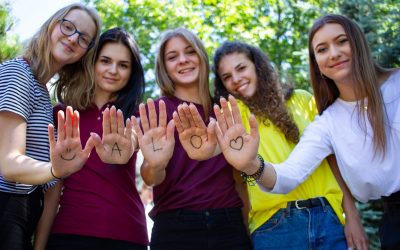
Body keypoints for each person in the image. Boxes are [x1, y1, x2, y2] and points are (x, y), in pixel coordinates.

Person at [213, 14, 400, 249]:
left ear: (257, 66)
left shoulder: (302, 100)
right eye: (227, 77)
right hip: (274, 225)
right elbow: (276, 175)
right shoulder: (231, 115)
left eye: (241, 68)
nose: (237, 79)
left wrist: (351, 216)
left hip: (327, 216)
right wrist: (249, 165)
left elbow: (332, 160)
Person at [132, 27, 251, 250]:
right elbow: (150, 177)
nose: (183, 60)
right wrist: (157, 164)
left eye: (190, 52)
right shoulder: (155, 112)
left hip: (230, 225)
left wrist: (248, 230)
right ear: (164, 67)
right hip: (175, 229)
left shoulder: (226, 109)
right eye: (172, 57)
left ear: (201, 56)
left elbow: (239, 180)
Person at [34, 28, 148, 250]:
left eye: (123, 65)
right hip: (68, 233)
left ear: (131, 72)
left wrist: (130, 145)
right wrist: (39, 245)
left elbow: (146, 161)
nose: (113, 70)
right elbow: (53, 188)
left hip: (127, 235)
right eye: (105, 61)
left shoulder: (138, 117)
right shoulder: (62, 113)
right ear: (92, 63)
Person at [0, 3, 101, 249]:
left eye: (84, 38)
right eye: (68, 26)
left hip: (21, 215)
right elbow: (8, 163)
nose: (73, 38)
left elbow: (51, 185)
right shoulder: (18, 74)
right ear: (52, 25)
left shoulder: (42, 92)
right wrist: (57, 169)